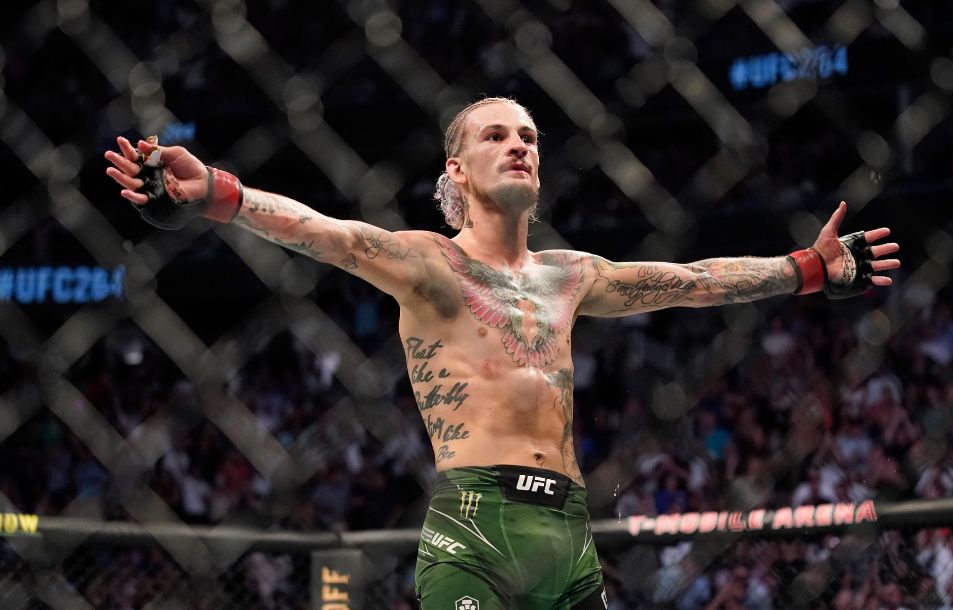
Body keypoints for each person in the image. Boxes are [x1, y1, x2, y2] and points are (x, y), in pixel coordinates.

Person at [104, 96, 900, 609]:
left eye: (528, 136)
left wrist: (804, 269)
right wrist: (215, 189)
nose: (517, 145)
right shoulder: (428, 264)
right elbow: (327, 234)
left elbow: (691, 281)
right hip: (476, 528)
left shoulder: (570, 277)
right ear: (457, 167)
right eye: (495, 135)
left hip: (571, 535)